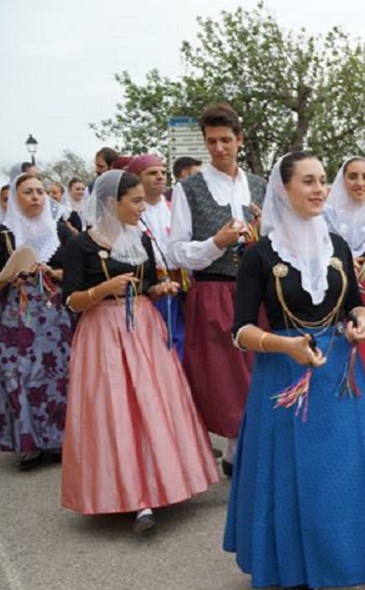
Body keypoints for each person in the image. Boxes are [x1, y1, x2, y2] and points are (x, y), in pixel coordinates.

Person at [224, 151, 365, 590]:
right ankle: (299, 565)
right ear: (283, 189)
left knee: (352, 477)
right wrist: (283, 345)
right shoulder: (259, 256)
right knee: (293, 478)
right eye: (307, 181)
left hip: (337, 378)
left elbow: (354, 306)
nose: (318, 189)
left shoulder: (338, 246)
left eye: (322, 181)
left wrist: (360, 322)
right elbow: (240, 330)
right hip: (284, 376)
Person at [58, 170, 218, 533]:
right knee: (115, 408)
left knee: (153, 402)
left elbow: (145, 285)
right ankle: (129, 494)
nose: (141, 207)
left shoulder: (142, 240)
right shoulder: (80, 246)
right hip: (102, 331)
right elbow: (70, 300)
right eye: (135, 200)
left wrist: (158, 290)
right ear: (112, 203)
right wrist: (103, 289)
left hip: (143, 327)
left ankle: (166, 482)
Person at [169, 103, 267, 474]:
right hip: (213, 288)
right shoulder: (189, 189)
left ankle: (236, 449)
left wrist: (264, 234)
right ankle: (235, 449)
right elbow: (176, 251)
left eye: (226, 140)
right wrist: (216, 242)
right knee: (224, 378)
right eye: (211, 141)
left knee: (257, 369)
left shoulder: (260, 184)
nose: (219, 148)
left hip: (256, 290)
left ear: (239, 140)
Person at [0, 173, 76, 470]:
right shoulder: (4, 233)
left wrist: (54, 273)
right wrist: (9, 277)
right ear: (15, 199)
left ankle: (59, 438)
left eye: (39, 192)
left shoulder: (60, 232)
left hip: (54, 312)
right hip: (15, 315)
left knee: (58, 371)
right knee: (19, 374)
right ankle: (28, 443)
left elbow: (80, 270)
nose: (35, 197)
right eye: (28, 192)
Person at [323, 157, 365, 387]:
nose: (360, 182)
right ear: (342, 180)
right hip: (336, 292)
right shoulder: (325, 218)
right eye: (353, 176)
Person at [128, 154, 186, 359]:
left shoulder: (174, 207)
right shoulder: (131, 211)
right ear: (136, 177)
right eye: (152, 173)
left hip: (178, 286)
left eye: (162, 172)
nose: (160, 177)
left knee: (178, 339)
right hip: (148, 287)